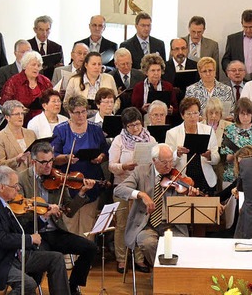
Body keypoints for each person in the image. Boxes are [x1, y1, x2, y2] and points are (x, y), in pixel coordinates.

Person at [0, 165, 70, 295]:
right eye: (14, 186)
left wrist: (43, 218)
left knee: (56, 258)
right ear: (2, 187)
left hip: (15, 255)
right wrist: (30, 239)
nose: (18, 189)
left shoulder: (6, 203)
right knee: (28, 284)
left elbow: (20, 230)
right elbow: (0, 239)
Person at [17, 142, 97, 295]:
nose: (48, 166)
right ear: (34, 162)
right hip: (36, 233)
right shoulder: (22, 180)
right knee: (39, 267)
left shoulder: (57, 178)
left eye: (51, 160)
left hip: (56, 231)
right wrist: (45, 213)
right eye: (44, 162)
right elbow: (21, 214)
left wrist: (81, 193)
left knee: (90, 248)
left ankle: (72, 287)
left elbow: (69, 210)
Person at [114, 143, 196, 266]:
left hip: (172, 225)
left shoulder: (177, 176)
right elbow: (119, 190)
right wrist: (141, 194)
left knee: (180, 243)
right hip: (146, 225)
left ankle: (165, 275)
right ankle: (160, 272)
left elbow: (184, 203)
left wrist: (190, 197)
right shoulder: (141, 172)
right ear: (154, 160)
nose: (169, 166)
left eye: (171, 161)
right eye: (164, 162)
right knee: (148, 243)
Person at [52, 94, 109, 238]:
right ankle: (69, 260)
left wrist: (100, 157)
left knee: (87, 225)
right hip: (69, 183)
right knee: (69, 225)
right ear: (69, 113)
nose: (81, 115)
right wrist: (66, 158)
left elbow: (104, 151)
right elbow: (53, 157)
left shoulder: (95, 129)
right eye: (77, 112)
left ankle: (85, 258)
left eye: (83, 111)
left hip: (91, 181)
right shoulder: (61, 130)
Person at [108, 107, 155, 274]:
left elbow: (155, 161)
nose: (135, 129)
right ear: (125, 126)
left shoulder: (149, 138)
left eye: (137, 124)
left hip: (143, 187)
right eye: (131, 126)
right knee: (122, 224)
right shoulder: (118, 140)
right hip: (124, 185)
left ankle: (139, 258)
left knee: (140, 223)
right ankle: (122, 259)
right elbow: (111, 165)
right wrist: (124, 166)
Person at [165, 97, 220, 195]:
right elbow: (169, 163)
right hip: (183, 180)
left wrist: (209, 155)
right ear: (182, 115)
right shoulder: (172, 133)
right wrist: (177, 153)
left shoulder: (208, 130)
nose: (193, 117)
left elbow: (216, 159)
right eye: (189, 114)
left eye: (195, 113)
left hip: (205, 179)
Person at [0, 51, 53, 122]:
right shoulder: (13, 82)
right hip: (21, 121)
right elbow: (4, 105)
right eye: (33, 65)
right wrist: (19, 109)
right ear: (25, 65)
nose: (36, 68)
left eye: (38, 65)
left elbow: (52, 100)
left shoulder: (45, 81)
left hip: (44, 120)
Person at [220, 97, 252, 188]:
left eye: (248, 114)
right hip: (232, 176)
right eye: (242, 114)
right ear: (237, 114)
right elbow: (225, 157)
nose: (245, 117)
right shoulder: (229, 130)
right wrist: (238, 156)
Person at [0, 100, 37, 171]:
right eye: (17, 114)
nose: (20, 117)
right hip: (13, 178)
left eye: (22, 113)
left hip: (32, 178)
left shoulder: (31, 133)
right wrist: (16, 160)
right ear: (7, 117)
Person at [203, 97, 233, 191]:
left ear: (221, 114)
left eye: (217, 113)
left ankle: (220, 197)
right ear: (206, 114)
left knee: (220, 170)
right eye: (211, 113)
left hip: (223, 160)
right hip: (203, 160)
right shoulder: (199, 125)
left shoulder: (229, 126)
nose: (213, 116)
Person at [109, 48, 146, 113]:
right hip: (117, 113)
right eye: (123, 64)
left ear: (132, 61)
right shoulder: (110, 77)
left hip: (136, 113)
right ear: (116, 64)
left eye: (128, 63)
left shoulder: (141, 76)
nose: (126, 67)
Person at [28, 15, 63, 80]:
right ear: (35, 30)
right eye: (41, 30)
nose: (44, 33)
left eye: (47, 30)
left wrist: (58, 67)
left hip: (50, 82)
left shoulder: (57, 47)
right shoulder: (28, 46)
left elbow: (61, 69)